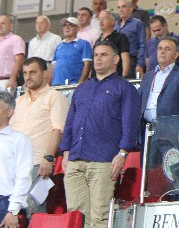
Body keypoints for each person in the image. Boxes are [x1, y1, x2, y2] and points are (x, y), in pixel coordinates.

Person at [60, 42, 140, 228]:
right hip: (75, 160)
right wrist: (66, 152)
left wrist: (122, 154)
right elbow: (70, 122)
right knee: (76, 217)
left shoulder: (125, 88)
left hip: (104, 161)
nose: (98, 58)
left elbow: (130, 123)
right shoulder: (82, 89)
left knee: (100, 216)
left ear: (116, 59)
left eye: (103, 54)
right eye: (95, 55)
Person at [10, 57, 68, 218]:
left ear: (45, 74)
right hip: (15, 164)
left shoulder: (55, 97)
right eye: (25, 73)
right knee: (11, 211)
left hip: (38, 163)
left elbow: (58, 130)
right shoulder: (19, 101)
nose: (27, 77)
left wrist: (48, 158)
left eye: (32, 72)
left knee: (34, 209)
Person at [140, 36, 179, 162]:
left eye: (167, 49)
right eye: (160, 48)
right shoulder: (148, 76)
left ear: (176, 55)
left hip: (172, 131)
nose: (162, 52)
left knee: (172, 169)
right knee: (149, 170)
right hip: (148, 131)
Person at [0, 90, 33, 228]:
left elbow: (23, 177)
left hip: (5, 203)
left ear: (9, 112)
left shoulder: (20, 140)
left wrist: (13, 210)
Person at [51, 17, 93, 86]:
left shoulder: (84, 44)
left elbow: (87, 64)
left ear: (78, 28)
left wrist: (80, 83)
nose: (67, 27)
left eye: (71, 25)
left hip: (73, 84)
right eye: (65, 25)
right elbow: (53, 67)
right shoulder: (59, 46)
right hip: (56, 85)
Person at [115, 0, 146, 77]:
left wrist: (140, 64)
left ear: (131, 8)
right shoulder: (115, 25)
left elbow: (142, 45)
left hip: (131, 61)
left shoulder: (138, 24)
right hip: (116, 62)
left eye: (124, 7)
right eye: (119, 7)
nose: (120, 10)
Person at [95, 10, 130, 78]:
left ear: (113, 22)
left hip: (115, 77)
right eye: (99, 19)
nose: (101, 22)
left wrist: (124, 77)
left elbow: (125, 58)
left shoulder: (120, 37)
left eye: (104, 19)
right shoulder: (98, 41)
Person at [0, 15, 25, 91]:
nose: (0, 26)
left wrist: (12, 78)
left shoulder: (16, 39)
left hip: (6, 81)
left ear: (11, 26)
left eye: (3, 23)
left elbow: (19, 60)